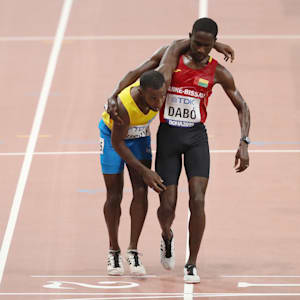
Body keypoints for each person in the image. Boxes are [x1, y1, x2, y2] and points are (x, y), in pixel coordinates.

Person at [107, 18, 250, 283]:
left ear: (212, 45)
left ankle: (191, 263)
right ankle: (167, 235)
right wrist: (114, 93)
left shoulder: (219, 72)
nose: (201, 50)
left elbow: (242, 106)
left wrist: (244, 142)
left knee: (198, 199)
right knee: (167, 207)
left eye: (208, 46)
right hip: (169, 137)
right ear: (190, 38)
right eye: (197, 43)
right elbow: (141, 68)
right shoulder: (172, 59)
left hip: (196, 138)